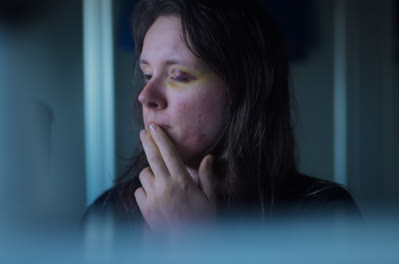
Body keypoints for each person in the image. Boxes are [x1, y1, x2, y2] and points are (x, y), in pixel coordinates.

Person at [83, 0, 360, 233]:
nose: (145, 96)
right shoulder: (105, 215)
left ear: (243, 91)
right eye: (147, 74)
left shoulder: (324, 214)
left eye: (179, 75)